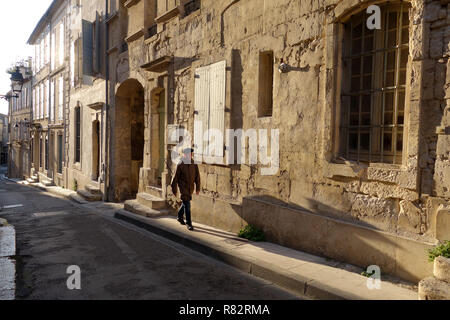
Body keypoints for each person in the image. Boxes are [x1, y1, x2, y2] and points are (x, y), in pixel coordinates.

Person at [171, 148, 200, 231]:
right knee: (187, 205)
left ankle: (179, 217)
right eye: (187, 154)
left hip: (190, 188)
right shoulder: (180, 164)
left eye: (190, 154)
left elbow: (197, 176)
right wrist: (174, 190)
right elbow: (175, 178)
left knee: (185, 203)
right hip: (183, 188)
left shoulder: (194, 164)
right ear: (184, 155)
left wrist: (197, 188)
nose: (189, 156)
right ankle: (189, 223)